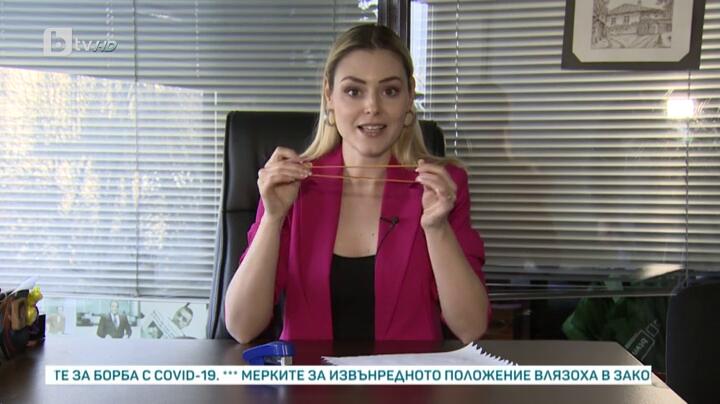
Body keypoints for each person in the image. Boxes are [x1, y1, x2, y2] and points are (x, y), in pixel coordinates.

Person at [224, 24, 490, 343]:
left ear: (409, 98)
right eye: (354, 91)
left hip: (406, 375)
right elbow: (242, 326)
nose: (373, 107)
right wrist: (272, 218)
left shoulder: (442, 187)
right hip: (308, 374)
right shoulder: (292, 184)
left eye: (390, 91)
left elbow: (470, 327)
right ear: (329, 96)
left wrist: (437, 229)